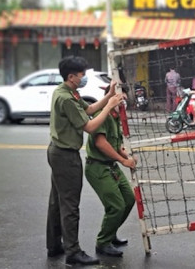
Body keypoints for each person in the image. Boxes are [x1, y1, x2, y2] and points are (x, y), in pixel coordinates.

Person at [46, 56, 123, 265]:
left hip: (58, 151)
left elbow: (88, 109)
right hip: (65, 155)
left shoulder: (66, 91)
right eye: (81, 75)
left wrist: (108, 97)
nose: (83, 78)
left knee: (56, 202)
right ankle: (73, 252)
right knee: (70, 205)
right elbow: (89, 126)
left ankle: (54, 246)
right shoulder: (66, 99)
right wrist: (109, 107)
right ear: (71, 77)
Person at [85, 85, 136, 258]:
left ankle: (111, 232)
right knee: (116, 206)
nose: (124, 101)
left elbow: (115, 144)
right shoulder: (103, 116)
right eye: (121, 98)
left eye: (124, 98)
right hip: (98, 167)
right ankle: (103, 242)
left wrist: (126, 156)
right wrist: (123, 160)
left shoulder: (116, 117)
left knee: (129, 199)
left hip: (112, 166)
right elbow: (101, 143)